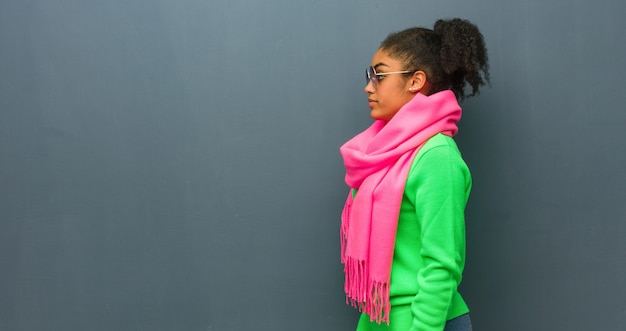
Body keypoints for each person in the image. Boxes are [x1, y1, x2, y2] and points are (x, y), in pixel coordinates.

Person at [339, 18, 489, 331]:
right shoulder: (378, 152)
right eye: (369, 76)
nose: (369, 86)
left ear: (415, 81)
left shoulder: (436, 156)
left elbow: (442, 264)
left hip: (426, 322)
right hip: (379, 319)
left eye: (379, 75)